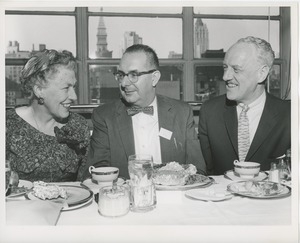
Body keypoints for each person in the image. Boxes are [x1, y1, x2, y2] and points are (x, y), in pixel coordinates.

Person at [83, 44, 206, 179]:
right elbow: (97, 171)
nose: (124, 83)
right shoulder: (105, 116)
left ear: (154, 78)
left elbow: (197, 170)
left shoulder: (181, 113)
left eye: (133, 75)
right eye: (121, 75)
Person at [198, 36, 291, 175]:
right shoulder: (209, 112)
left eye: (236, 69)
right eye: (225, 68)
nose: (225, 77)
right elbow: (207, 172)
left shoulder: (290, 115)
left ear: (262, 73)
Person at [6, 49, 90, 182]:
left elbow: (85, 182)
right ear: (39, 90)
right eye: (65, 88)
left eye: (74, 87)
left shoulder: (79, 125)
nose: (74, 97)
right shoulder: (8, 126)